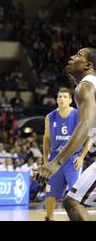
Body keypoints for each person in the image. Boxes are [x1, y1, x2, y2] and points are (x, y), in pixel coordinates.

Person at [36, 47, 96, 221]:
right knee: (72, 201)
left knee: (72, 202)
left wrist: (56, 163)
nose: (71, 57)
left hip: (70, 161)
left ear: (88, 65)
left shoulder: (85, 87)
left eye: (78, 55)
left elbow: (84, 126)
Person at [43, 87, 92, 221]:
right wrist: (44, 160)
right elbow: (46, 139)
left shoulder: (79, 115)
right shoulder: (50, 117)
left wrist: (82, 157)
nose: (62, 99)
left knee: (74, 196)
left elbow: (90, 137)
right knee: (50, 193)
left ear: (70, 100)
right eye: (59, 97)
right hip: (54, 159)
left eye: (65, 97)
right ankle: (49, 218)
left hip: (72, 159)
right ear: (56, 100)